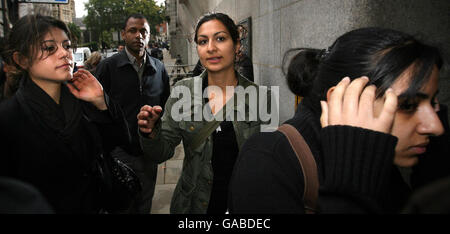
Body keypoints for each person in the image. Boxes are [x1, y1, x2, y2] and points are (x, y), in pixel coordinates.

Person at [229, 27, 449, 214]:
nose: (436, 127)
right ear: (342, 99)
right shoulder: (267, 161)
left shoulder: (381, 156)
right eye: (408, 105)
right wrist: (350, 191)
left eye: (433, 102)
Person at [137, 12, 275, 214]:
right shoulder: (182, 94)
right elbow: (160, 153)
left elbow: (266, 162)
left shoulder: (260, 97)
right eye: (203, 41)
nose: (211, 48)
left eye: (220, 38)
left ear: (237, 45)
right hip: (194, 206)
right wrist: (150, 132)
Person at [0, 14, 130, 213]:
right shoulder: (9, 120)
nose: (65, 54)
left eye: (67, 45)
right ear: (22, 59)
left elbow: (119, 141)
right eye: (50, 48)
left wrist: (101, 101)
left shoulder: (84, 98)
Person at [95, 13, 170, 214]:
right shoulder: (108, 67)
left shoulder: (159, 68)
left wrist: (155, 137)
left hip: (148, 151)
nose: (139, 35)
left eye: (143, 31)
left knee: (145, 203)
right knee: (123, 205)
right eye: (133, 30)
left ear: (149, 35)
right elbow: (95, 109)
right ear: (123, 34)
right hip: (118, 151)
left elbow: (165, 104)